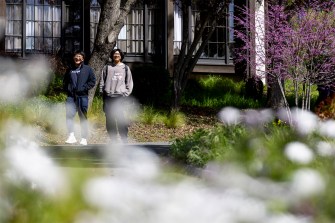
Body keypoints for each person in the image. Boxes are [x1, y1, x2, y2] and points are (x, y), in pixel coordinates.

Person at [100, 48, 134, 143]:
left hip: (120, 96)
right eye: (114, 54)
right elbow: (102, 80)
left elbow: (129, 83)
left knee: (120, 117)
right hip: (108, 96)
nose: (116, 55)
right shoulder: (107, 67)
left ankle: (124, 137)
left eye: (118, 54)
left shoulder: (125, 68)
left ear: (121, 56)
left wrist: (126, 93)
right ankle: (113, 138)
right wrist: (102, 91)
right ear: (112, 56)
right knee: (109, 118)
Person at [63, 50, 96, 145]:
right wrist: (67, 89)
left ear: (83, 58)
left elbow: (92, 81)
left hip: (82, 96)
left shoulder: (87, 69)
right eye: (76, 56)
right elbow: (65, 82)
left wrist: (84, 88)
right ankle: (71, 136)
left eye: (79, 56)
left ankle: (84, 138)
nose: (77, 58)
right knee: (69, 116)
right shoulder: (70, 69)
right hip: (71, 97)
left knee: (83, 117)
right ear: (73, 58)